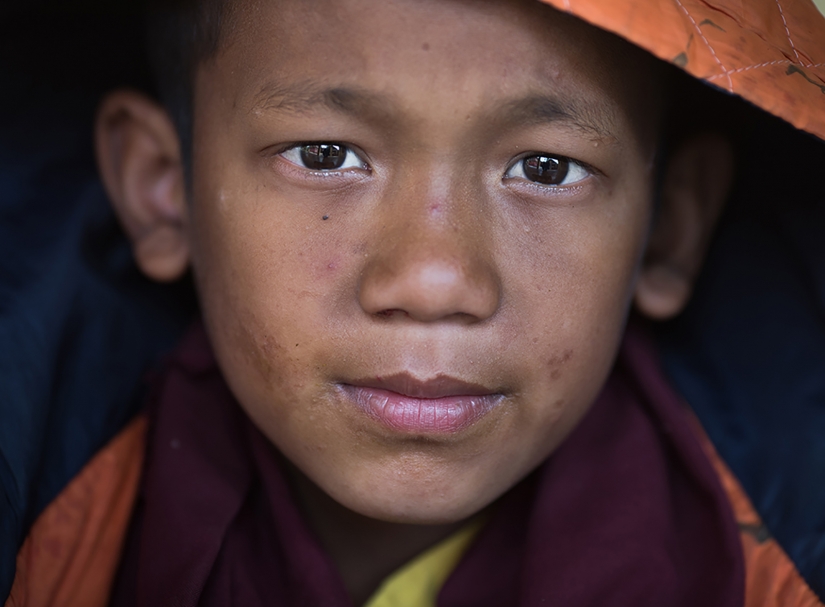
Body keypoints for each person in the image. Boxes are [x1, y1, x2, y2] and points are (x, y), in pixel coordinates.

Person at [3, 0, 825, 606]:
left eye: (544, 169)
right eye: (324, 154)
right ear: (163, 187)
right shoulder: (51, 537)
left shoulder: (774, 572)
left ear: (667, 227)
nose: (434, 280)